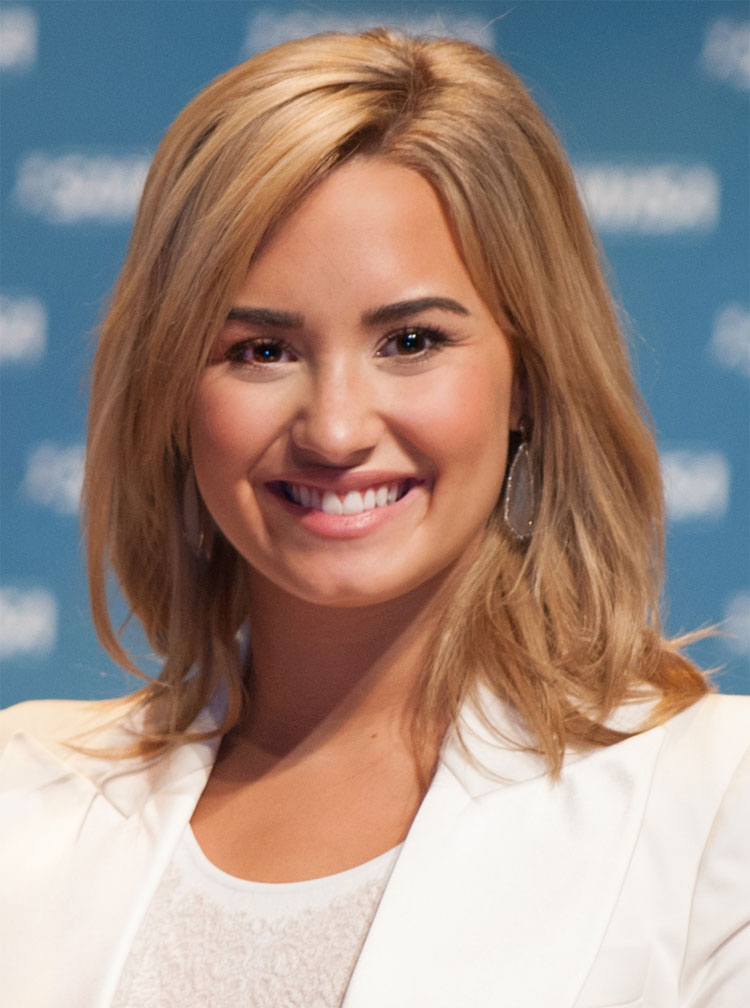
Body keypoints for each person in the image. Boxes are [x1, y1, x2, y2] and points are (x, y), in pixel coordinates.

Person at [1, 28, 748, 1008]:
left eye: (411, 341)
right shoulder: (22, 792)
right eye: (261, 351)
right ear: (172, 393)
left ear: (529, 376)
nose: (338, 428)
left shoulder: (715, 803)